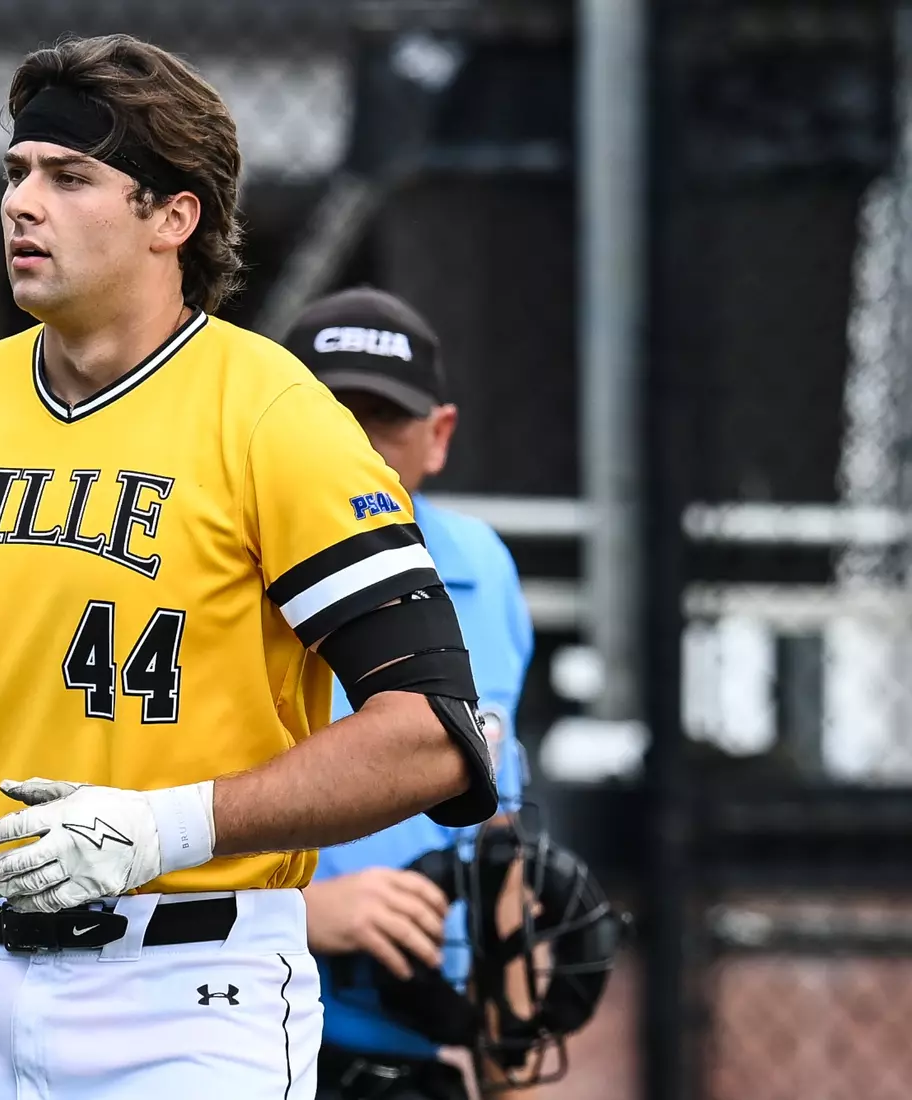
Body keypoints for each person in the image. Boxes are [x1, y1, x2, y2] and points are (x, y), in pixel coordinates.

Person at [0, 35, 498, 1100]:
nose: (24, 202)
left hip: (190, 988)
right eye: (16, 172)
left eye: (70, 177)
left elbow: (433, 730)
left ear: (175, 217)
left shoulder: (273, 416)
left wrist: (162, 824)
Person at [280, 287, 535, 1100]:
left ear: (439, 436)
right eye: (328, 414)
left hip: (422, 1044)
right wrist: (305, 912)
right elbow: (136, 819)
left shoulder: (481, 567)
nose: (355, 445)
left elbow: (501, 834)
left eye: (383, 418)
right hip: (246, 1032)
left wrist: (512, 1068)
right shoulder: (207, 574)